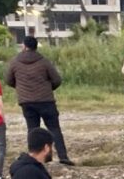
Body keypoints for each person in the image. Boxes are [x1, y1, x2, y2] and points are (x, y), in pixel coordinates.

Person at [6, 36, 74, 166]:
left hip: (26, 101)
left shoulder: (15, 62)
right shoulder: (44, 61)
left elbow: (9, 80)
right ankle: (63, 156)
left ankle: (35, 159)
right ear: (36, 47)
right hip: (45, 100)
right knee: (54, 129)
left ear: (24, 46)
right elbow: (57, 79)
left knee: (32, 130)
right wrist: (49, 88)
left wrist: (21, 87)